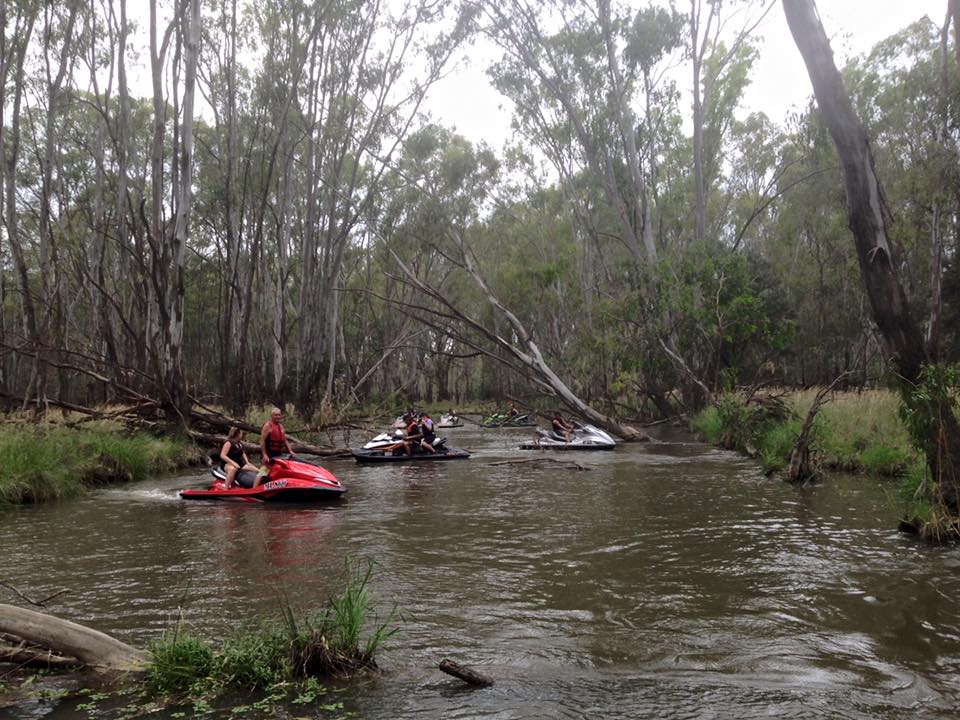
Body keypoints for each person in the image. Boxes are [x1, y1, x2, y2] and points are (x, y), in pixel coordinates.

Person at [259, 407, 295, 485]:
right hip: (268, 453)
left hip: (278, 454)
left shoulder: (281, 427)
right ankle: (254, 488)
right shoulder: (267, 425)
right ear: (272, 416)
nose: (278, 417)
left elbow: (285, 440)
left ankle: (274, 486)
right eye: (276, 415)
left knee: (277, 471)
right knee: (263, 471)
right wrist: (264, 455)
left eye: (279, 415)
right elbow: (262, 441)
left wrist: (290, 451)